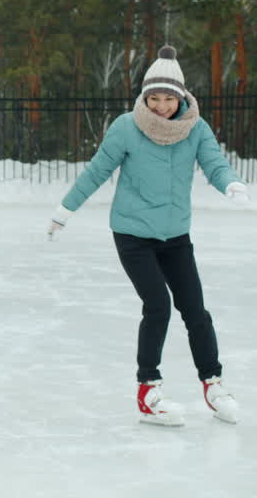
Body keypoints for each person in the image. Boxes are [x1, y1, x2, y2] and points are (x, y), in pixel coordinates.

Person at [47, 46, 244, 426]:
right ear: (144, 97)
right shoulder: (127, 127)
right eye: (153, 98)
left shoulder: (196, 129)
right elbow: (97, 170)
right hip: (133, 234)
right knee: (158, 305)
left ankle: (213, 383)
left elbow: (214, 163)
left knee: (195, 310)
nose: (160, 106)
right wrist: (65, 209)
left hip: (175, 235)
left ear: (181, 97)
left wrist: (230, 183)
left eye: (168, 98)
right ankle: (148, 390)